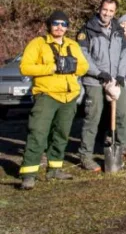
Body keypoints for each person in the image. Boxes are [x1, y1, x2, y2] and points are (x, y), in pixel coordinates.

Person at [17, 11, 90, 190]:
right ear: (49, 25)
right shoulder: (38, 43)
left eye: (63, 24)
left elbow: (84, 66)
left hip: (69, 96)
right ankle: (29, 174)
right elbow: (25, 67)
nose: (59, 27)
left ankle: (55, 169)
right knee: (38, 133)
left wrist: (72, 66)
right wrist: (53, 67)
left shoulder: (72, 44)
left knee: (62, 133)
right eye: (56, 23)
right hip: (47, 95)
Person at [77, 0, 126, 171]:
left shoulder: (117, 29)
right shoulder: (87, 29)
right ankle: (85, 155)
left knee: (124, 113)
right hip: (94, 80)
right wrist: (98, 72)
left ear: (114, 12)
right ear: (100, 9)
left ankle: (120, 146)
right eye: (105, 10)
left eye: (111, 11)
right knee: (92, 117)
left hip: (116, 79)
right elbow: (83, 54)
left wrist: (121, 75)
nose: (107, 13)